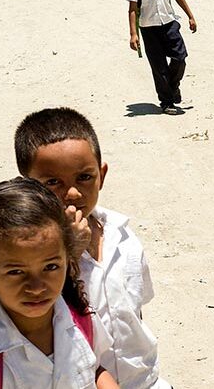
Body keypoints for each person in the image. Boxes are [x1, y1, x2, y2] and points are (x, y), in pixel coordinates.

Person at [14, 108, 172, 389]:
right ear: (27, 186)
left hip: (145, 381)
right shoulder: (23, 254)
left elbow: (133, 313)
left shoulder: (123, 236)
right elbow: (29, 318)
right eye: (52, 182)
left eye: (84, 177)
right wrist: (67, 253)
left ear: (102, 174)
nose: (73, 193)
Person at [0, 177, 120, 389]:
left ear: (67, 259)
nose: (37, 287)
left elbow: (93, 368)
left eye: (50, 267)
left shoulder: (81, 319)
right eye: (16, 271)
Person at [124, 0, 198, 115]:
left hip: (169, 23)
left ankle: (173, 87)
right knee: (159, 67)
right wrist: (133, 34)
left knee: (180, 58)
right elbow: (132, 8)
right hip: (149, 28)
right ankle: (166, 102)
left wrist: (190, 15)